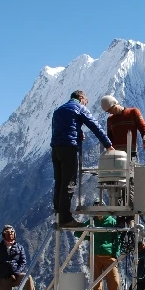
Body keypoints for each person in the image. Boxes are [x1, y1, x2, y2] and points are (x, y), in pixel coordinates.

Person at [51, 90, 114, 228]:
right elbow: (94, 126)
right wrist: (108, 144)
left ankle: (58, 212)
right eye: (86, 101)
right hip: (69, 148)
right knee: (69, 182)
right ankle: (66, 219)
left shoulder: (58, 110)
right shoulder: (79, 108)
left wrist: (78, 133)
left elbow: (61, 128)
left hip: (55, 149)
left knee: (59, 181)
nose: (86, 103)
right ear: (81, 98)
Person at [76, 214, 121, 290]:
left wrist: (116, 254)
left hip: (109, 256)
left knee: (115, 284)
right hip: (94, 256)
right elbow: (77, 232)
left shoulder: (112, 221)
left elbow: (118, 237)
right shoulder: (92, 220)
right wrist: (90, 238)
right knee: (96, 285)